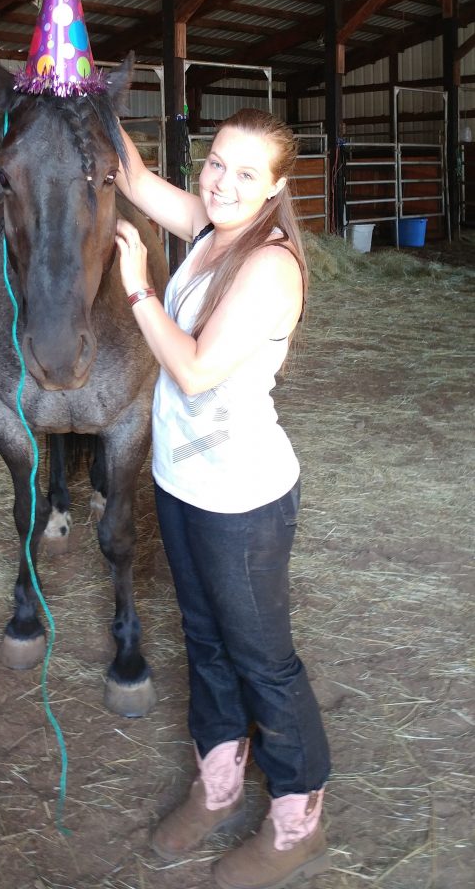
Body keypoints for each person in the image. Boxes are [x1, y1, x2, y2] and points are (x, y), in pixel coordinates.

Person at [114, 108, 331, 889]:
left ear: (276, 187)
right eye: (214, 163)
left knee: (262, 660)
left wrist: (139, 289)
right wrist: (80, 84)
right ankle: (218, 784)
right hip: (180, 482)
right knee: (202, 641)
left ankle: (296, 817)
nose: (222, 183)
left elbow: (196, 370)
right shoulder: (210, 224)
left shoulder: (268, 264)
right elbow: (134, 180)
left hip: (241, 497)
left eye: (246, 173)